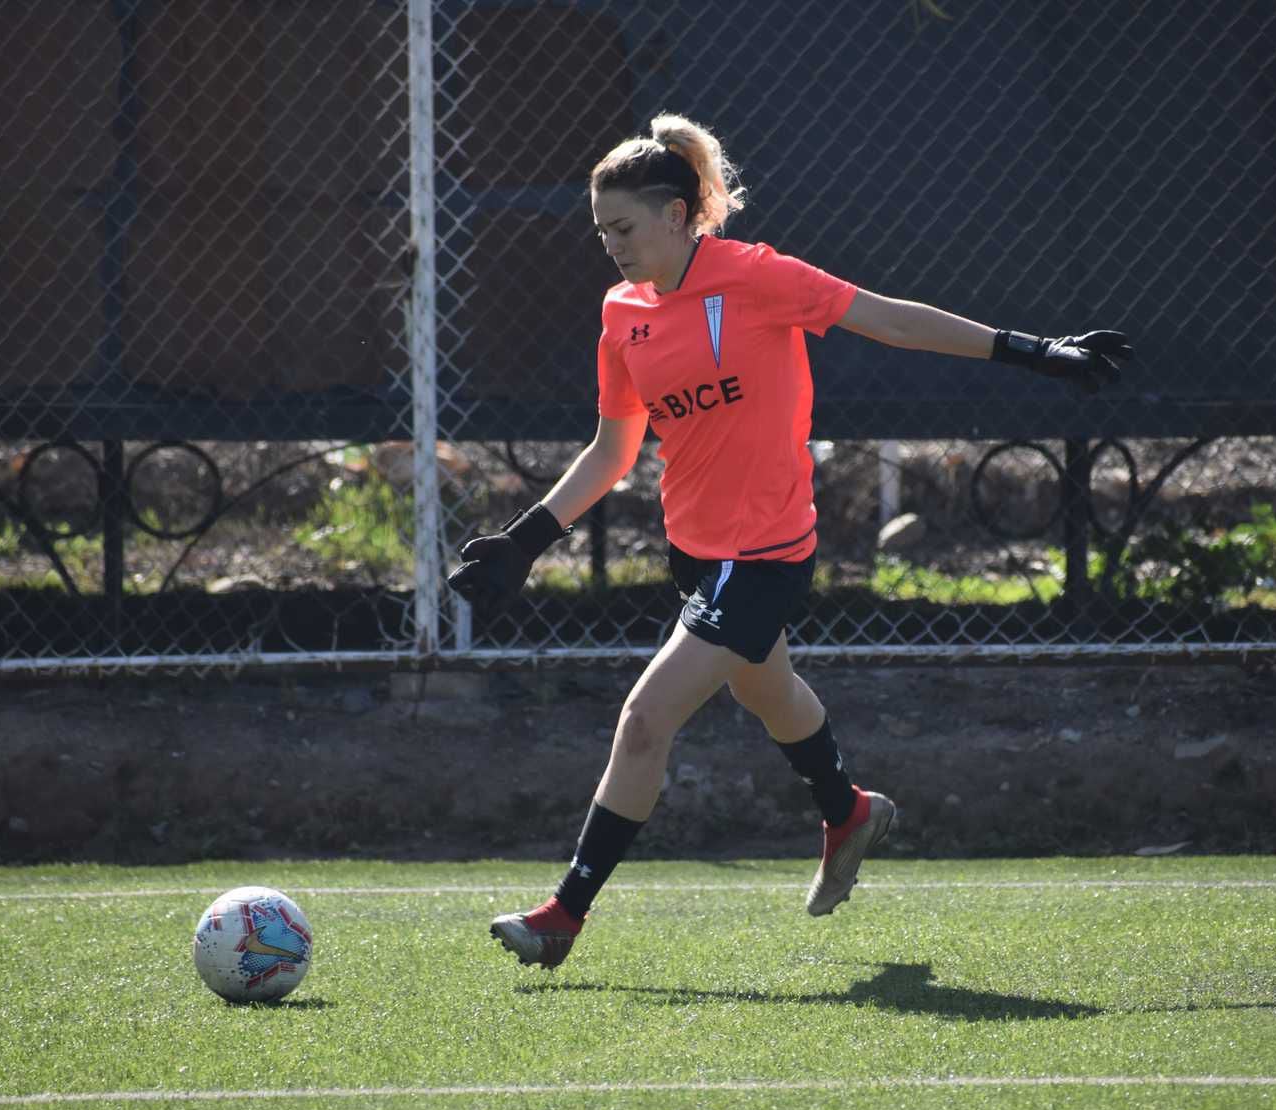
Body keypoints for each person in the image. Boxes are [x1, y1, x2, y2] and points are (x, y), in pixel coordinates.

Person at [448, 114, 1130, 970]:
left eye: (623, 228)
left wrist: (1031, 351)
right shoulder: (622, 313)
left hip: (766, 550)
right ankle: (846, 809)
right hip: (697, 553)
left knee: (644, 718)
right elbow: (613, 449)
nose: (612, 247)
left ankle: (564, 915)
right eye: (600, 233)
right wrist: (525, 541)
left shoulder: (756, 278)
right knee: (767, 695)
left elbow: (890, 321)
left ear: (675, 213)